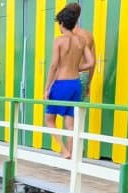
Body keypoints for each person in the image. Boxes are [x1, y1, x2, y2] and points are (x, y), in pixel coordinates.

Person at [43, 3, 94, 159]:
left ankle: (64, 150)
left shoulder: (59, 40)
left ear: (62, 23)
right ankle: (71, 154)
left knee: (49, 120)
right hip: (75, 85)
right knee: (70, 124)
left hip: (61, 84)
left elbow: (53, 66)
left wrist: (46, 88)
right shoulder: (81, 41)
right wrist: (77, 68)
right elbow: (91, 62)